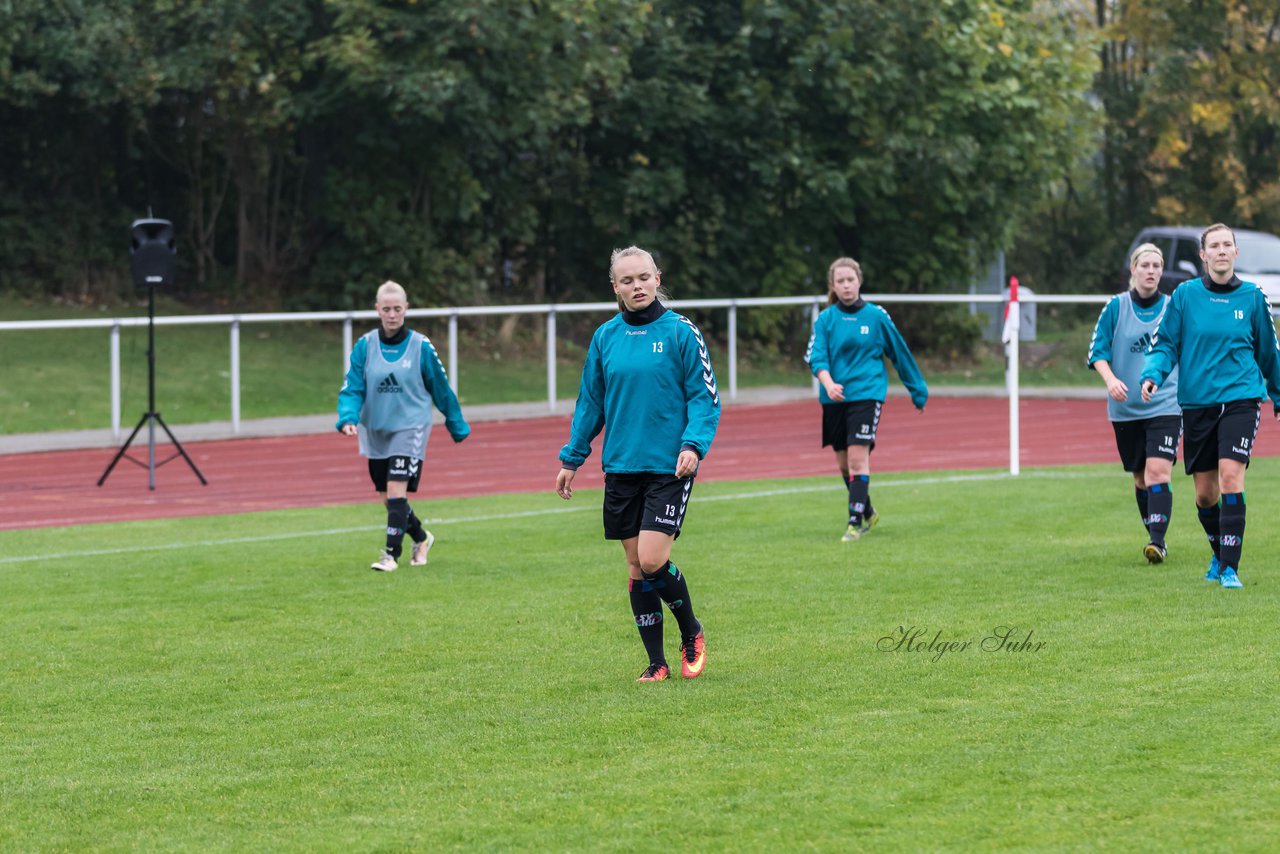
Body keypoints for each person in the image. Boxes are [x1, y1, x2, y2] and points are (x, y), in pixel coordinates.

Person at [555, 246, 721, 683]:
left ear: (657, 278)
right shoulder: (605, 337)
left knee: (651, 559)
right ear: (615, 287)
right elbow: (591, 402)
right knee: (634, 565)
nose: (637, 286)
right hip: (621, 466)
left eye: (644, 277)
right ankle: (656, 662)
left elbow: (705, 398)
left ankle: (692, 631)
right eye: (627, 280)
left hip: (670, 466)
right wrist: (573, 456)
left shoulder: (683, 332)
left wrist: (693, 445)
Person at [1141, 223, 1280, 589]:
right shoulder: (1185, 295)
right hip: (1197, 402)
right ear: (1203, 255)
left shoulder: (1252, 297)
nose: (1221, 251)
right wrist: (1153, 372)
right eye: (1213, 246)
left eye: (1227, 245)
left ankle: (1230, 568)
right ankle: (1219, 553)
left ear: (1236, 253)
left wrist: (1277, 393)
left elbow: (1268, 351)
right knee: (1205, 495)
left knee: (1232, 477)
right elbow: (1166, 343)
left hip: (1241, 399)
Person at [337, 280, 470, 571]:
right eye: (386, 309)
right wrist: (347, 418)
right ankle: (421, 538)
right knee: (388, 498)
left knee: (397, 491)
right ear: (377, 310)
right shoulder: (365, 345)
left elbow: (440, 386)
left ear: (406, 308)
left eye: (398, 308)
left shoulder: (420, 346)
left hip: (410, 428)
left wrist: (455, 423)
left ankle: (389, 555)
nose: (392, 314)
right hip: (375, 430)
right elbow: (353, 386)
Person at [805, 257, 928, 542]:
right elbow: (816, 356)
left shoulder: (876, 316)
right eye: (840, 281)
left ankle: (853, 523)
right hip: (834, 398)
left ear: (859, 281)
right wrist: (828, 383)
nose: (846, 285)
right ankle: (868, 510)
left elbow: (900, 352)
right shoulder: (825, 320)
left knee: (859, 460)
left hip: (867, 395)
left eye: (851, 279)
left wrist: (918, 390)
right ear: (833, 286)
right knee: (844, 464)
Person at [1087, 243, 1182, 564]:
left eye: (1157, 265)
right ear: (1133, 269)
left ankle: (1158, 541)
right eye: (1146, 265)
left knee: (1158, 472)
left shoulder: (1173, 308)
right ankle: (1154, 535)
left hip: (1166, 404)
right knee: (1141, 478)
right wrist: (1111, 380)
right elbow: (1097, 352)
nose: (1152, 271)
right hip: (1125, 408)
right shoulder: (1115, 307)